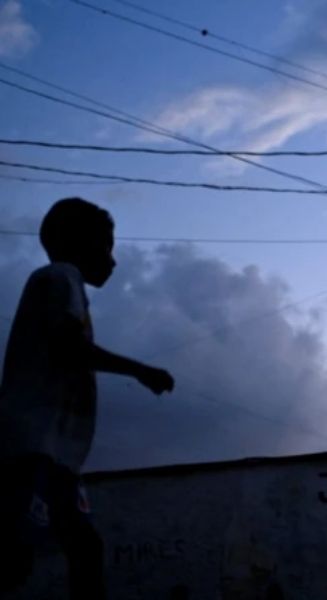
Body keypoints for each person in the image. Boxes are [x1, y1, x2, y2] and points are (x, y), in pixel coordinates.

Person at [0, 197, 175, 598]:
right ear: (76, 241)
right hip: (32, 448)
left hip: (54, 454)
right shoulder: (59, 278)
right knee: (27, 554)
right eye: (107, 246)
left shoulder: (64, 285)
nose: (113, 260)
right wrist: (140, 370)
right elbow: (69, 347)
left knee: (77, 549)